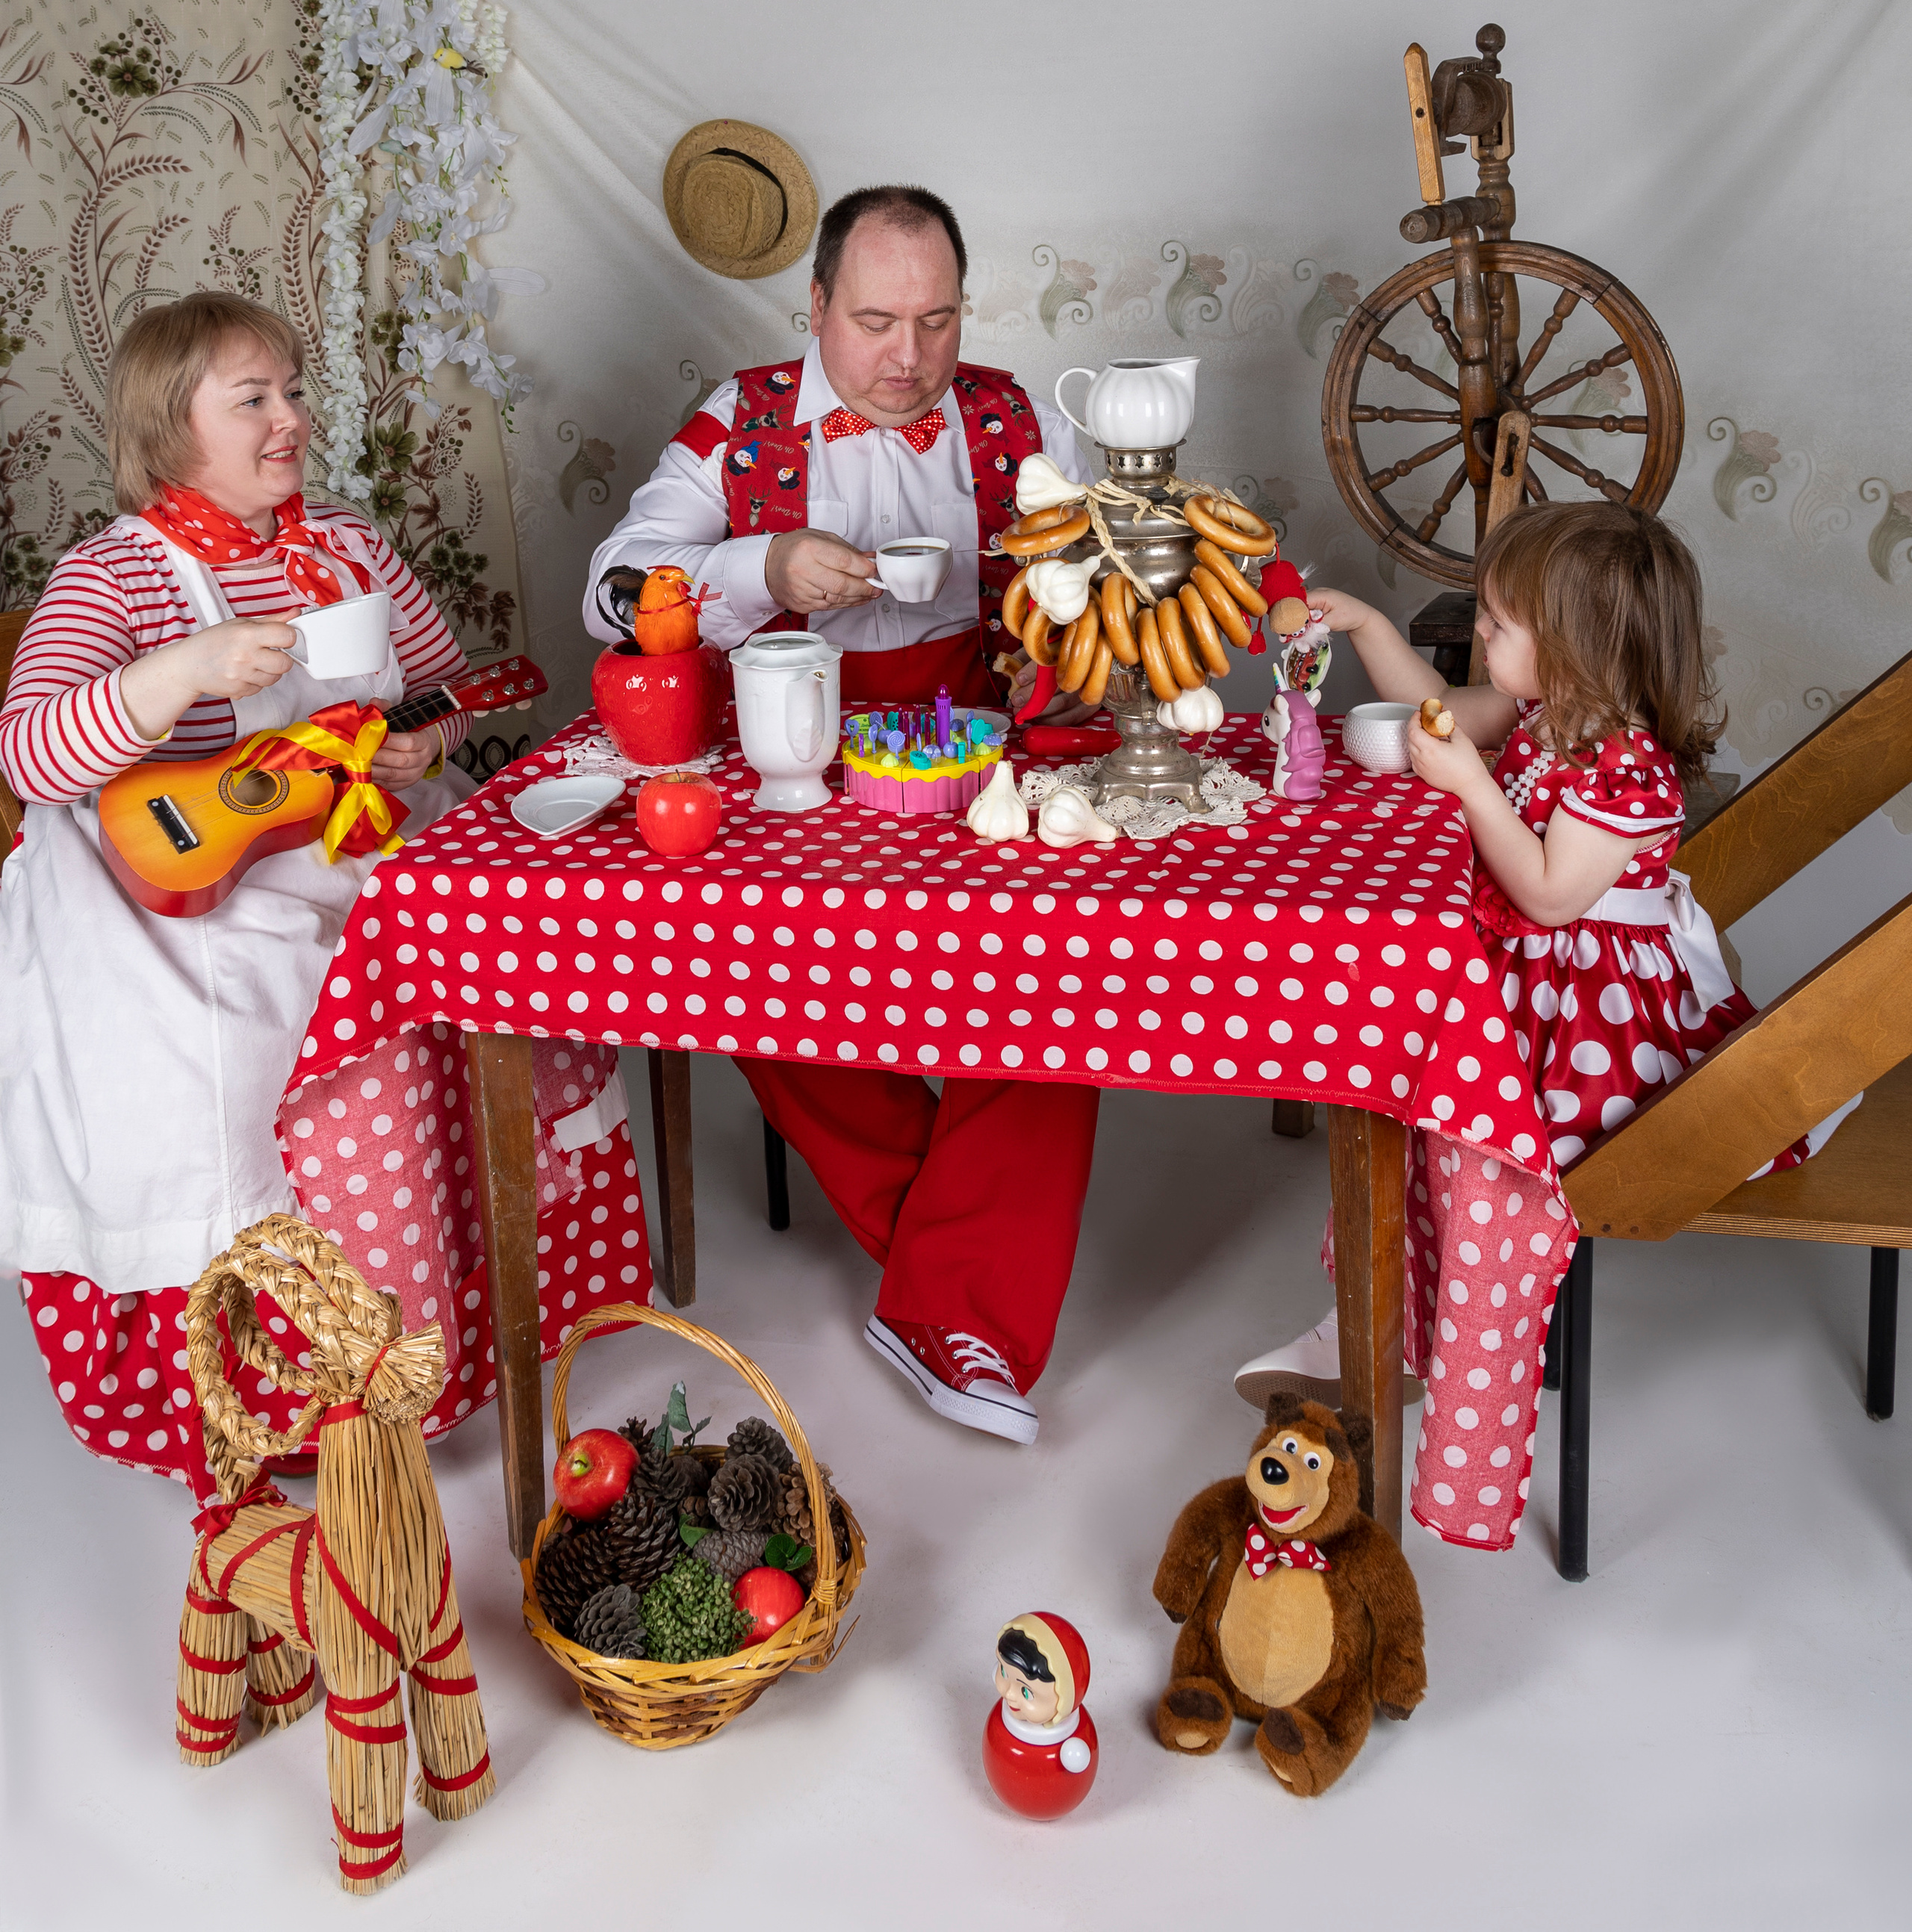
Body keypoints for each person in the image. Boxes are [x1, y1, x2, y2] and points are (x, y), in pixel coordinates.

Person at [1, 292, 647, 1497]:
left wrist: (422, 743)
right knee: (281, 1007)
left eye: (292, 390)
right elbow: (31, 755)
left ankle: (434, 1347)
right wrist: (178, 670)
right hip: (178, 896)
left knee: (493, 958)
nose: (290, 417)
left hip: (358, 854)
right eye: (253, 398)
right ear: (167, 423)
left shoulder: (345, 547)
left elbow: (449, 685)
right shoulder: (115, 575)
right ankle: (297, 1389)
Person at [1232, 503, 1858, 1547]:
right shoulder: (1548, 716)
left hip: (1596, 1038)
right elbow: (1438, 709)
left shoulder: (1623, 766)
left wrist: (1471, 785)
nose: (1483, 635)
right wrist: (1370, 632)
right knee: (1397, 1088)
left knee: (1487, 1182)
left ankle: (1458, 1445)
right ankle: (1386, 1330)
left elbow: (1551, 895)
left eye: (1503, 623)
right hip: (1530, 1001)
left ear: (1580, 648)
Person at [586, 184, 1099, 1444]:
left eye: (936, 322)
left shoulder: (1014, 416)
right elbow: (610, 594)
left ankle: (951, 1305)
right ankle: (955, 1285)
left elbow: (1096, 584)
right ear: (814, 307)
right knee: (753, 974)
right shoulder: (739, 422)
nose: (907, 359)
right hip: (791, 772)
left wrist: (1078, 603)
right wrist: (756, 567)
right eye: (873, 320)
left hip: (980, 761)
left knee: (1065, 969)